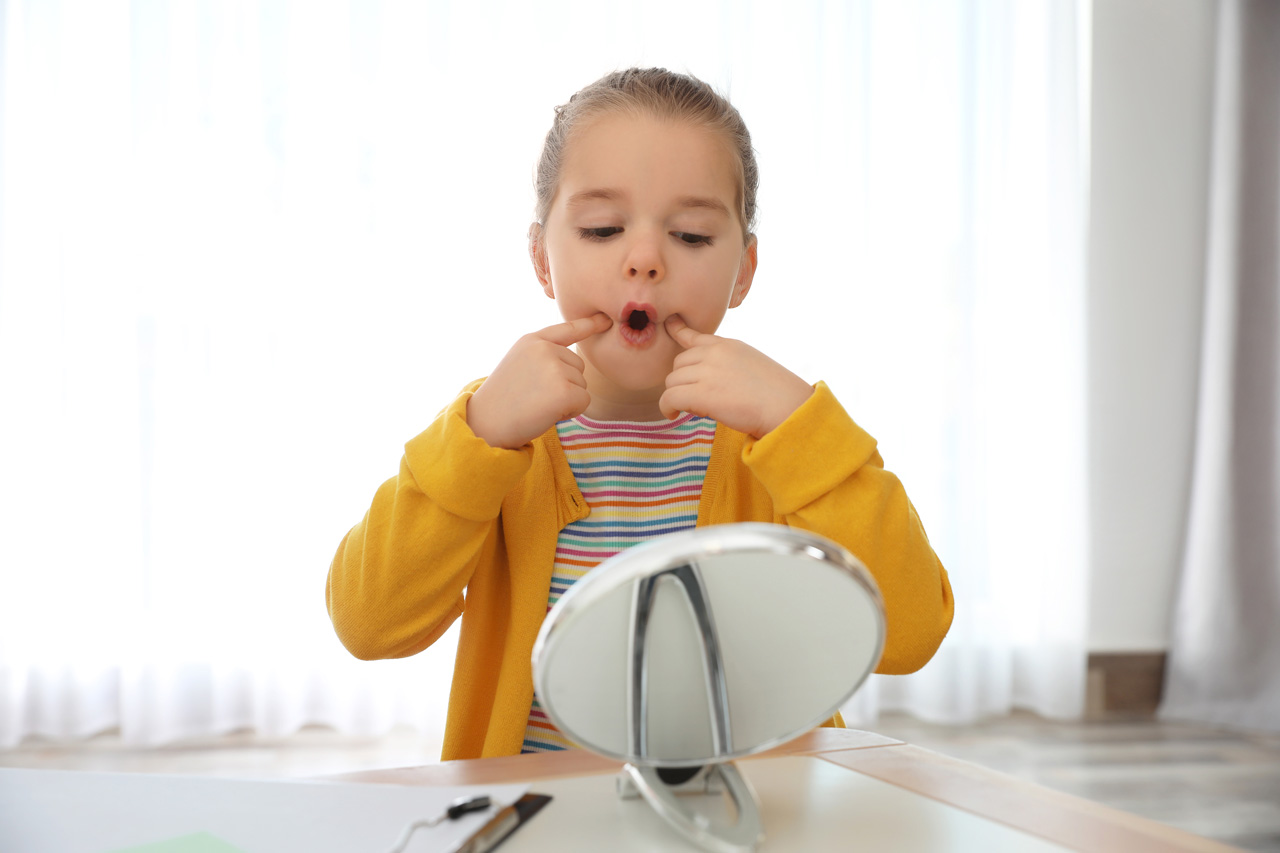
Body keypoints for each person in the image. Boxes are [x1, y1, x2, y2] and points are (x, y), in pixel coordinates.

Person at [326, 68, 954, 761]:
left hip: (745, 823)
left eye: (689, 235)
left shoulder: (778, 442)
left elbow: (909, 634)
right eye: (602, 228)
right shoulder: (497, 434)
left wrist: (801, 426)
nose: (646, 259)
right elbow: (368, 623)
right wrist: (475, 435)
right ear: (542, 260)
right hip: (540, 820)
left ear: (743, 270)